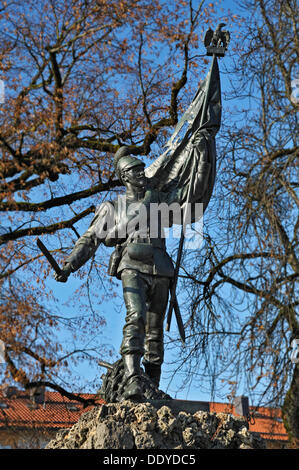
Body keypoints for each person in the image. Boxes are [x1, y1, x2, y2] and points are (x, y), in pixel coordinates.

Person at [55, 145, 211, 401]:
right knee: (136, 314)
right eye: (135, 171)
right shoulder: (112, 207)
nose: (141, 173)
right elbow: (90, 239)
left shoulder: (158, 199)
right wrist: (69, 266)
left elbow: (190, 196)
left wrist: (201, 158)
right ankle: (132, 378)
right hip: (132, 265)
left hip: (161, 267)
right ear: (124, 176)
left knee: (155, 330)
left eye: (141, 169)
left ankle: (150, 384)